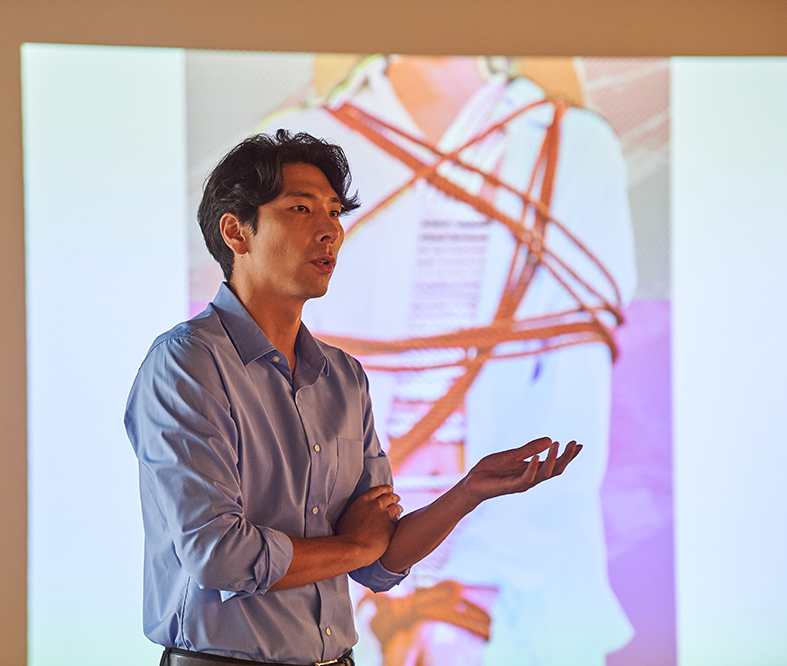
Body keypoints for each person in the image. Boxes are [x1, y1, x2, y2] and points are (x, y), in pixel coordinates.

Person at [124, 129, 581, 666]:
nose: (330, 231)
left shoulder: (343, 376)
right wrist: (353, 546)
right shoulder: (187, 364)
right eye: (301, 208)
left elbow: (378, 563)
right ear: (236, 232)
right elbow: (219, 556)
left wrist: (469, 491)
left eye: (335, 212)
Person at [258, 56, 636, 665]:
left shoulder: (573, 145)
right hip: (331, 552)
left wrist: (469, 594)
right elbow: (276, 388)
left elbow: (574, 395)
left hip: (514, 573)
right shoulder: (294, 147)